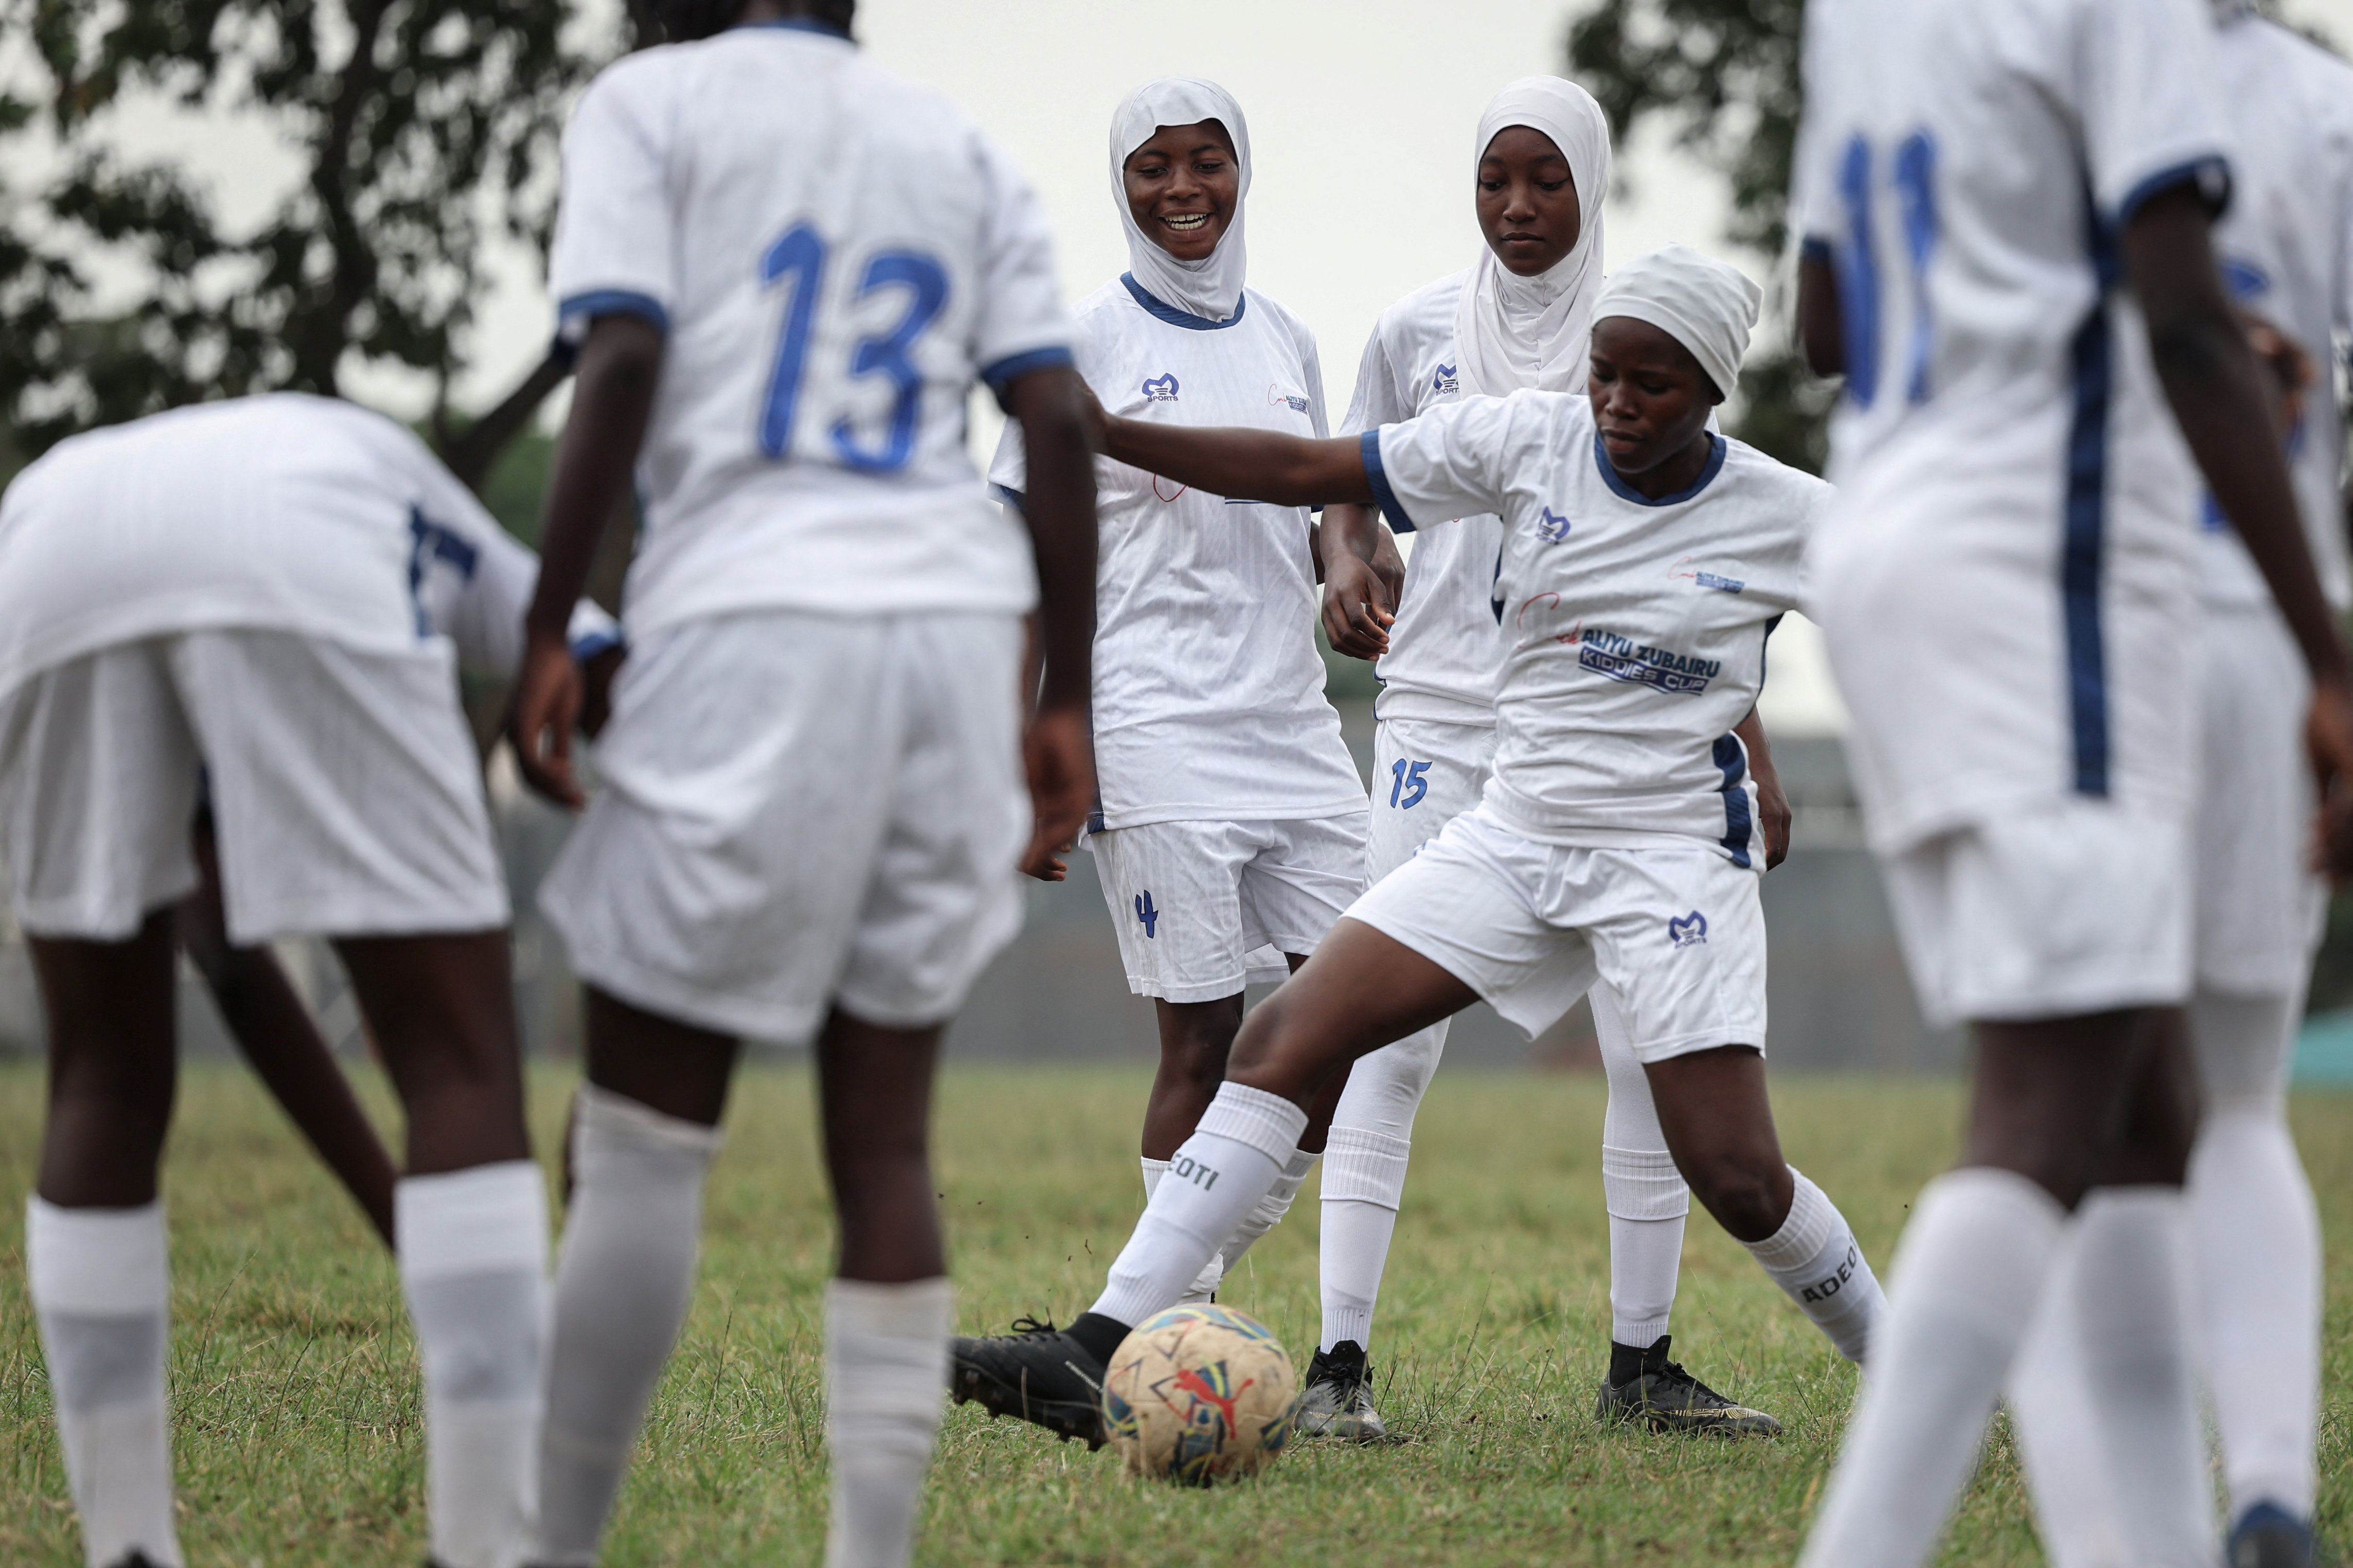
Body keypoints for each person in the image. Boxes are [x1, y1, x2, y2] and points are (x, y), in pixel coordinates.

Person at [950, 246, 1888, 1450]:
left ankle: (1913, 1369)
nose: (1613, 403)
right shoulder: (1530, 438)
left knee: (1740, 1177)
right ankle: (1090, 1352)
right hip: (1515, 833)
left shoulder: (1786, 513)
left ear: (1708, 390)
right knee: (1284, 1037)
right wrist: (1110, 433)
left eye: (1649, 386)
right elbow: (1304, 467)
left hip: (1666, 867)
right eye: (1603, 372)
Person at [504, 3, 1098, 1565]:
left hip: (746, 618)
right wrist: (1069, 698)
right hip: (946, 641)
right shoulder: (955, 142)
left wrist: (545, 622)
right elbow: (1049, 416)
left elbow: (622, 349)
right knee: (883, 1146)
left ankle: (550, 1544)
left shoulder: (656, 102)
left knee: (641, 1135)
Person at [1786, 0, 2353, 1563]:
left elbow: (1824, 311)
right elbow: (2178, 310)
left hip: (1889, 537)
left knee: (2147, 1108)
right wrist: (2326, 659)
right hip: (2041, 566)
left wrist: (2027, 293)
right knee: (2041, 1108)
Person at [0, 390, 614, 1568]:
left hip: (43, 546)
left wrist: (408, 1213)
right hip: (297, 540)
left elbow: (229, 959)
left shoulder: (302, 489)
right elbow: (600, 669)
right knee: (461, 1058)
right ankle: (489, 1548)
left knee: (98, 1082)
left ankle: (124, 1546)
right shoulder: (486, 570)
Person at [1306, 77, 1797, 1444]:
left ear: (1591, 187)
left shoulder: (1642, 334)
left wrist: (1743, 748)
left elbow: (1695, 578)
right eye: (1493, 180)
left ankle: (1638, 1367)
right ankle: (1335, 1365)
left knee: (1648, 1044)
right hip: (1442, 723)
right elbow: (1346, 480)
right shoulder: (1413, 327)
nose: (1517, 206)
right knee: (1379, 1041)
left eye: (1546, 180)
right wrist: (1349, 555)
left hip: (1611, 749)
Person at [2002, 6, 2353, 1566]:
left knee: (2048, 1131)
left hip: (2085, 628)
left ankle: (2118, 1537)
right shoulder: (2320, 104)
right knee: (2237, 1101)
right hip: (2268, 629)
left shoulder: (2035, 72)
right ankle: (2266, 1485)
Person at [985, 77, 1371, 1310]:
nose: (1183, 188)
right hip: (1151, 723)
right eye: (1153, 166)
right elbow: (1019, 546)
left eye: (1206, 160)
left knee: (1357, 1015)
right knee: (1199, 1039)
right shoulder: (1081, 339)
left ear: (1242, 169)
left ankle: (1153, 1301)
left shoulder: (1288, 339)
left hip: (1294, 724)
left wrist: (1348, 563)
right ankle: (1180, 1333)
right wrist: (1021, 730)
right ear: (1120, 183)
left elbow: (1318, 508)